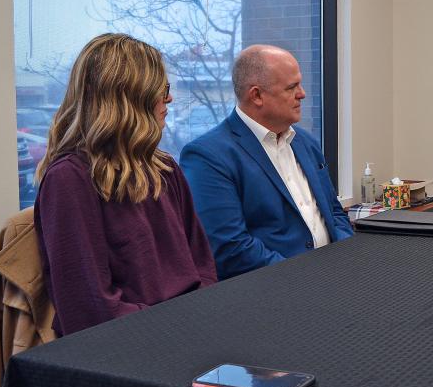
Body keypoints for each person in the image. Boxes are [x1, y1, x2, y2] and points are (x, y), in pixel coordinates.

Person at [34, 34, 217, 336]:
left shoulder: (166, 169)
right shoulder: (69, 180)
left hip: (189, 330)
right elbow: (90, 310)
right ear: (129, 97)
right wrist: (180, 323)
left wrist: (199, 316)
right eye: (161, 90)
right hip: (126, 346)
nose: (168, 99)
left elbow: (203, 265)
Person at [180, 45, 352, 280]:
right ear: (257, 95)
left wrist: (345, 258)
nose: (302, 94)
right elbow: (230, 248)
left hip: (332, 278)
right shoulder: (209, 156)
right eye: (291, 88)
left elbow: (334, 213)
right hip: (270, 292)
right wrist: (305, 278)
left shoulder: (306, 143)